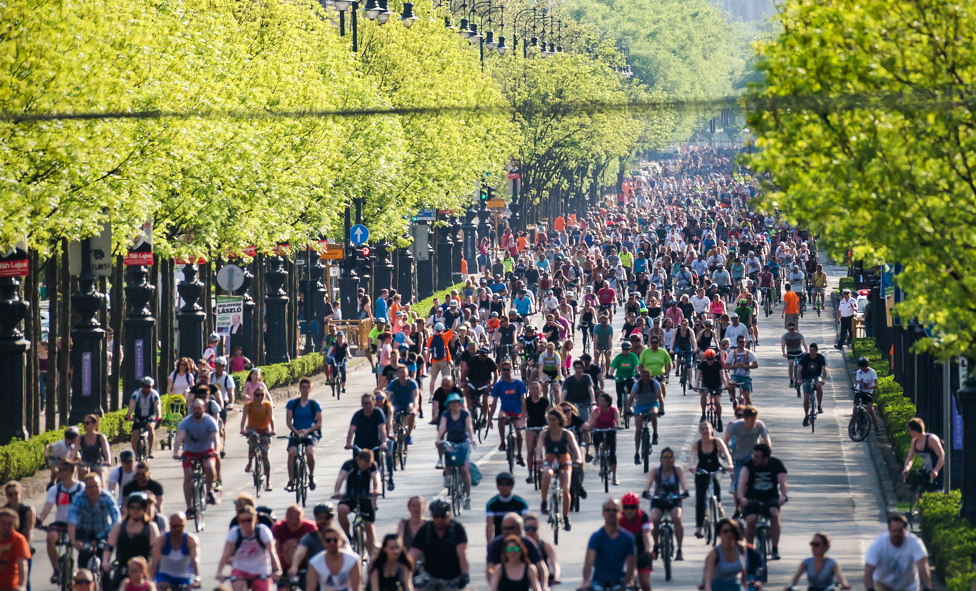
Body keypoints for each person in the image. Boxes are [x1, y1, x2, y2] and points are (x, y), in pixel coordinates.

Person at [737, 443, 788, 560]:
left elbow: (782, 482)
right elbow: (742, 482)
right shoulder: (748, 465)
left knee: (775, 514)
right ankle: (749, 549)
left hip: (771, 498)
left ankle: (774, 548)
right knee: (751, 520)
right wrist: (741, 498)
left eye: (757, 457)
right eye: (753, 456)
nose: (754, 459)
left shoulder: (776, 464)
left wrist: (784, 496)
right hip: (752, 498)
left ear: (766, 458)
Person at [408, 499, 470, 591]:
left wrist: (465, 574)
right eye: (436, 516)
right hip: (430, 577)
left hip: (452, 578)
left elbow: (462, 554)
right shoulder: (426, 530)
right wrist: (407, 574)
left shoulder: (457, 529)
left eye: (443, 516)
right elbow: (412, 555)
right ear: (432, 515)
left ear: (449, 515)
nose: (439, 519)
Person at [216, 506, 282, 591]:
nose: (246, 523)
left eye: (249, 520)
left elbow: (272, 552)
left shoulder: (263, 531)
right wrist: (219, 572)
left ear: (255, 520)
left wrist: (277, 570)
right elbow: (225, 554)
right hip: (240, 569)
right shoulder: (234, 532)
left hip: (261, 570)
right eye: (242, 521)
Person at [38, 460, 84, 583]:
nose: (58, 472)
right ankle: (57, 570)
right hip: (61, 523)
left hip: (79, 524)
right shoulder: (55, 489)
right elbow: (47, 508)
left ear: (70, 472)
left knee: (84, 545)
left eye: (62, 470)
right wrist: (40, 521)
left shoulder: (81, 488)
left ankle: (83, 572)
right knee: (50, 538)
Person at [171, 399, 220, 513]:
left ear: (204, 409)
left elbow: (215, 437)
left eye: (199, 408)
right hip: (190, 452)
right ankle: (189, 507)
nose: (197, 411)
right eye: (195, 408)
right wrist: (175, 452)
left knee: (209, 467)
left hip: (206, 451)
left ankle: (209, 491)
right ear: (192, 409)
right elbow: (179, 437)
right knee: (188, 475)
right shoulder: (186, 422)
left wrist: (216, 450)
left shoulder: (209, 421)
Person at [536, 410, 582, 528]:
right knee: (546, 474)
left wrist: (579, 458)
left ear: (560, 420)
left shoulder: (566, 434)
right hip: (550, 461)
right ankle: (544, 501)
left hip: (564, 462)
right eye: (549, 420)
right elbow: (539, 446)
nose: (551, 422)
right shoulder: (544, 433)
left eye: (554, 420)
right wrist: (538, 458)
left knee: (565, 489)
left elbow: (575, 447)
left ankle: (566, 517)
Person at [104, 493, 159, 590]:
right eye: (132, 507)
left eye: (139, 508)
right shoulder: (119, 526)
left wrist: (151, 570)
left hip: (143, 571)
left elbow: (155, 553)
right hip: (123, 569)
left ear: (144, 509)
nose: (135, 510)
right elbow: (109, 547)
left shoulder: (151, 527)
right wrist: (105, 562)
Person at [642, 447, 688, 560]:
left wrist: (685, 491)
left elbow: (683, 482)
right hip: (658, 500)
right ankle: (656, 546)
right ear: (661, 459)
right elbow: (648, 483)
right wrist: (646, 492)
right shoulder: (655, 471)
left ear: (673, 458)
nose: (667, 459)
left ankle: (679, 549)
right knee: (654, 519)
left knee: (677, 518)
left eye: (669, 457)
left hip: (674, 500)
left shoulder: (677, 470)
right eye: (664, 457)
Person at [864, 514, 931, 591]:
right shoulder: (878, 543)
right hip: (883, 584)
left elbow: (923, 565)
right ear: (889, 529)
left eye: (900, 531)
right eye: (894, 531)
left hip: (907, 586)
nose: (896, 534)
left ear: (905, 530)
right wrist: (870, 588)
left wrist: (926, 587)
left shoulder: (915, 542)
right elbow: (868, 569)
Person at [68, 473, 121, 571]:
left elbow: (116, 519)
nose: (93, 490)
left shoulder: (107, 497)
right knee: (84, 553)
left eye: (96, 486)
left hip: (103, 533)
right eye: (90, 487)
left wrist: (113, 536)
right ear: (85, 488)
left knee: (103, 557)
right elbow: (72, 520)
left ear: (101, 486)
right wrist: (73, 541)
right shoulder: (78, 498)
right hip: (84, 532)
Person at [690, 421, 733, 539]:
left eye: (707, 428)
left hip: (715, 468)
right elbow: (693, 456)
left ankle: (718, 504)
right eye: (702, 429)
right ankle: (699, 527)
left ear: (712, 430)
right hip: (702, 471)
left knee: (715, 480)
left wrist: (730, 464)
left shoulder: (717, 441)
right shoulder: (697, 444)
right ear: (700, 431)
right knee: (700, 499)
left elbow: (726, 453)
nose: (705, 431)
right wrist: (692, 466)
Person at [581, 498, 635, 591]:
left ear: (620, 513)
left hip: (619, 582)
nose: (611, 513)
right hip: (598, 583)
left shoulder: (628, 538)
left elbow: (630, 566)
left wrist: (625, 583)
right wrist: (586, 581)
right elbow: (588, 562)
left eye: (615, 510)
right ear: (603, 513)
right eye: (608, 510)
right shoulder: (596, 537)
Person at [332, 450, 379, 555]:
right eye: (364, 464)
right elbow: (341, 477)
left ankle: (372, 555)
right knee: (341, 509)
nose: (366, 466)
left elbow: (376, 478)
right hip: (350, 496)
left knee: (369, 526)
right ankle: (348, 536)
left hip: (365, 497)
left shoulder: (372, 465)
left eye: (369, 464)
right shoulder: (349, 464)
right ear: (359, 459)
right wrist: (336, 492)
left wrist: (377, 490)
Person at [436, 393, 475, 510]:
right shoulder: (446, 414)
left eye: (456, 402)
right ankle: (448, 478)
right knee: (449, 462)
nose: (454, 405)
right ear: (448, 405)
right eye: (451, 403)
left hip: (463, 443)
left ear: (460, 404)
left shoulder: (465, 414)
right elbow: (442, 427)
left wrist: (472, 438)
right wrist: (439, 438)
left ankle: (468, 497)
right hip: (451, 442)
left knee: (464, 469)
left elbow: (469, 427)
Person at [286, 378, 323, 492]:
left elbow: (319, 423)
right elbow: (288, 421)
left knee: (309, 452)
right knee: (292, 452)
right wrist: (296, 432)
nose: (305, 390)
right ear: (300, 389)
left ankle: (311, 476)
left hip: (310, 433)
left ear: (310, 389)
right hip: (296, 433)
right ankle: (291, 481)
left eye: (307, 388)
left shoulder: (314, 404)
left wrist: (307, 431)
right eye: (303, 388)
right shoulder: (293, 403)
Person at [489, 362, 528, 464]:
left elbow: (523, 400)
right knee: (501, 417)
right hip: (505, 411)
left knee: (519, 433)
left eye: (508, 369)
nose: (506, 372)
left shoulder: (518, 384)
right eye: (504, 370)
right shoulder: (499, 385)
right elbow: (494, 403)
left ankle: (519, 455)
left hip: (517, 412)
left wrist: (523, 416)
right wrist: (489, 419)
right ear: (501, 371)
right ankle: (502, 442)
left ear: (511, 370)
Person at [148, 512, 200, 590]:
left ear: (185, 525)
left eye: (181, 526)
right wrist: (151, 579)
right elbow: (155, 561)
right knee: (163, 587)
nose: (177, 529)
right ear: (170, 525)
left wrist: (197, 578)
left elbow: (195, 560)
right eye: (174, 526)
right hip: (165, 576)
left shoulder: (191, 540)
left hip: (184, 577)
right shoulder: (161, 540)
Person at [785, 532, 852, 591]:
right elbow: (795, 579)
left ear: (825, 547)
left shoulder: (832, 563)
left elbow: (840, 578)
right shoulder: (806, 562)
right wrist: (790, 586)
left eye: (816, 544)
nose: (813, 547)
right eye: (812, 544)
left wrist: (844, 584)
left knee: (836, 586)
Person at [306, 524, 361, 591]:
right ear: (323, 542)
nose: (332, 543)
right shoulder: (315, 563)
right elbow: (310, 588)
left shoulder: (353, 560)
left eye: (335, 540)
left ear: (341, 541)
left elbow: (357, 588)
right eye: (328, 540)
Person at [241, 387, 275, 491]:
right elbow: (244, 418)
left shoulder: (267, 405)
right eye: (257, 395)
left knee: (265, 456)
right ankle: (250, 463)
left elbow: (271, 417)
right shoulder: (248, 405)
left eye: (262, 395)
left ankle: (268, 481)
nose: (260, 397)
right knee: (252, 444)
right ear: (254, 396)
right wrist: (242, 430)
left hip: (265, 429)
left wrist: (273, 430)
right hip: (252, 429)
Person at [271, 505, 316, 585]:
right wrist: (275, 569)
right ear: (286, 518)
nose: (294, 522)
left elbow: (315, 550)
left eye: (297, 519)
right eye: (291, 519)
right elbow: (274, 550)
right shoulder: (278, 528)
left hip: (305, 567)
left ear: (303, 518)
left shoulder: (310, 527)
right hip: (284, 568)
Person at [582, 393, 620, 485]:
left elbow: (618, 422)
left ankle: (614, 476)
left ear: (607, 403)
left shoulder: (614, 410)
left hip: (610, 430)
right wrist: (592, 422)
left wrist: (617, 426)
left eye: (602, 401)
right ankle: (597, 454)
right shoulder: (595, 411)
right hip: (598, 430)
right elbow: (589, 423)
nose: (599, 402)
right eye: (599, 400)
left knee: (612, 455)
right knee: (595, 434)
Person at [617, 493, 653, 591]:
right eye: (626, 507)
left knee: (645, 582)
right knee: (619, 583)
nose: (629, 511)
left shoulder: (644, 517)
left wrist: (647, 551)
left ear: (638, 507)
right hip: (624, 549)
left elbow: (646, 535)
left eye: (632, 507)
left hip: (641, 547)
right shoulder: (618, 518)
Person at [2, 482, 33, 591]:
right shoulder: (3, 511)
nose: (14, 497)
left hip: (22, 543)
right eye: (10, 494)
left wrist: (26, 547)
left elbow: (29, 531)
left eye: (16, 493)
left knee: (25, 578)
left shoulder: (28, 510)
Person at [901, 418, 946, 494]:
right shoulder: (914, 441)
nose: (909, 433)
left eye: (909, 430)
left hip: (939, 469)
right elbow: (910, 458)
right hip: (927, 469)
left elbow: (942, 456)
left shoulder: (931, 439)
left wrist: (936, 470)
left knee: (938, 491)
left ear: (914, 431)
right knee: (919, 492)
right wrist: (906, 469)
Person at [702, 518, 748, 591]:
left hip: (736, 587)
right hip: (718, 588)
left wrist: (745, 587)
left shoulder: (740, 548)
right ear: (719, 534)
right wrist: (707, 588)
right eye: (725, 531)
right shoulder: (714, 553)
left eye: (732, 530)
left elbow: (743, 571)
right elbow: (708, 576)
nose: (729, 533)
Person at [627, 368, 663, 459]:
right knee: (638, 429)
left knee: (653, 413)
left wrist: (661, 409)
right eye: (644, 376)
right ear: (641, 377)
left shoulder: (654, 383)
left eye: (648, 376)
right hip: (640, 407)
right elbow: (631, 398)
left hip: (652, 404)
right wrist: (627, 410)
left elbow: (660, 397)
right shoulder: (637, 384)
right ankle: (636, 453)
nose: (646, 378)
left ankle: (655, 434)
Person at [485, 473, 528, 543]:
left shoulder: (521, 503)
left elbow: (527, 524)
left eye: (507, 484)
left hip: (517, 542)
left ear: (512, 486)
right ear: (497, 486)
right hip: (499, 542)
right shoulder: (492, 504)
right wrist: (490, 545)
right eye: (501, 484)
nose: (504, 487)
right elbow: (490, 526)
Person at [127, 377, 162, 458]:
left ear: (152, 387)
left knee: (150, 427)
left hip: (150, 415)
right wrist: (128, 414)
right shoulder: (137, 393)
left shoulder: (154, 394)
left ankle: (150, 450)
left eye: (149, 387)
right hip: (139, 416)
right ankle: (136, 453)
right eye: (144, 386)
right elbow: (132, 404)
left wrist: (159, 416)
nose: (146, 389)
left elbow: (157, 405)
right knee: (135, 433)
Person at [696, 349, 728, 431]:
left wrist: (726, 385)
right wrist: (696, 385)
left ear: (714, 358)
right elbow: (698, 375)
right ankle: (703, 413)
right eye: (708, 359)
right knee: (704, 394)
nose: (710, 361)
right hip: (706, 383)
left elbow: (722, 376)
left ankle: (719, 420)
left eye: (712, 359)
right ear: (705, 358)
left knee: (717, 402)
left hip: (716, 384)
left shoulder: (718, 364)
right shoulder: (702, 364)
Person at [388, 366, 421, 446]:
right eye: (400, 372)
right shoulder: (393, 383)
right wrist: (387, 407)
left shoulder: (412, 383)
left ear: (407, 373)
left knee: (412, 411)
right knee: (392, 416)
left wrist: (414, 408)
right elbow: (387, 396)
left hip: (408, 404)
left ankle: (409, 435)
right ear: (397, 374)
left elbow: (416, 397)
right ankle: (395, 434)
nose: (402, 374)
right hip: (396, 404)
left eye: (404, 372)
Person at [522, 514, 559, 586]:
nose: (530, 531)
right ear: (523, 528)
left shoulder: (545, 546)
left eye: (533, 528)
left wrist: (556, 576)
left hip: (542, 581)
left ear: (538, 528)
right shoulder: (518, 545)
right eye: (527, 528)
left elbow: (554, 563)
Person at [796, 343, 828, 425]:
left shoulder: (820, 357)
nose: (811, 352)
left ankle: (819, 405)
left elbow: (824, 368)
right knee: (806, 397)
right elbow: (799, 369)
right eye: (810, 350)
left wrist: (823, 379)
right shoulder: (804, 358)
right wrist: (799, 379)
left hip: (816, 376)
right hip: (806, 377)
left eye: (813, 350)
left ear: (816, 351)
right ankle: (806, 415)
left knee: (819, 386)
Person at [0, 508, 29, 591]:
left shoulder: (18, 539)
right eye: (3, 523)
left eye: (10, 524)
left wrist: (22, 586)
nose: (6, 527)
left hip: (12, 587)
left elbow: (22, 563)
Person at [77, 415, 111, 481]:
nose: (84, 425)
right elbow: (74, 451)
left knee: (101, 475)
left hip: (98, 464)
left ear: (94, 424)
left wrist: (108, 460)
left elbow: (106, 450)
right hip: (85, 463)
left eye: (87, 423)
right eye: (83, 423)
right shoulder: (80, 438)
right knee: (82, 471)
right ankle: (82, 489)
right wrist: (70, 461)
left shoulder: (101, 437)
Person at [726, 335, 757, 406]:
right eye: (740, 342)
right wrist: (735, 366)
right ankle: (734, 399)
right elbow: (726, 365)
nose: (742, 344)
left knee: (748, 399)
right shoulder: (732, 353)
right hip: (735, 376)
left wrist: (747, 366)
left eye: (743, 342)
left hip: (745, 377)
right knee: (732, 384)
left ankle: (748, 414)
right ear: (737, 343)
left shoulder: (749, 353)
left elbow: (756, 365)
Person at [854, 356, 880, 430]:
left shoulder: (872, 372)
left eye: (864, 367)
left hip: (868, 392)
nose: (863, 369)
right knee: (855, 408)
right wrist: (862, 386)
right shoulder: (859, 372)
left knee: (871, 409)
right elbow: (860, 382)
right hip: (860, 391)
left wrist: (868, 387)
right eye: (861, 367)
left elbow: (876, 384)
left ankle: (876, 427)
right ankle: (852, 426)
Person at [780, 323, 807, 388]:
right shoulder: (785, 336)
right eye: (790, 329)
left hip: (799, 352)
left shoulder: (799, 335)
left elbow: (804, 343)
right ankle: (791, 380)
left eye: (792, 329)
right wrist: (784, 353)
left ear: (795, 329)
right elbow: (783, 344)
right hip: (790, 353)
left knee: (801, 365)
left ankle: (801, 377)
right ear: (787, 329)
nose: (791, 331)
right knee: (790, 364)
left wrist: (806, 350)